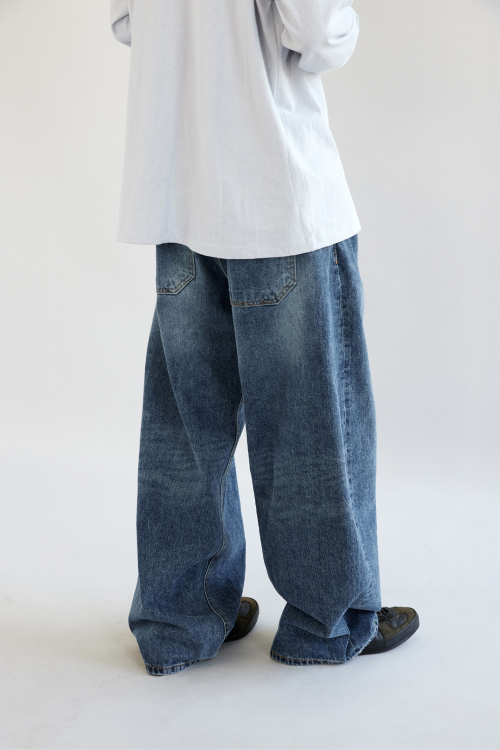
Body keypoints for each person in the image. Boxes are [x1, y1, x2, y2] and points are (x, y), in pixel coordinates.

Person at [110, 0, 419, 676]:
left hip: (176, 192)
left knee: (186, 431)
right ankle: (326, 622)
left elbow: (128, 22)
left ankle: (180, 620)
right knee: (309, 427)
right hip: (278, 193)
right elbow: (317, 31)